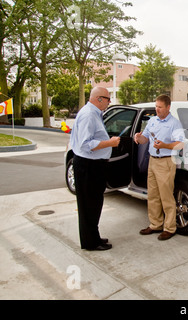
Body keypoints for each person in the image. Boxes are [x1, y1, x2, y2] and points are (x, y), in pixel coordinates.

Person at [70, 87, 120, 251]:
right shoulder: (89, 115)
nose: (109, 102)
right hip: (88, 165)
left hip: (91, 165)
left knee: (93, 204)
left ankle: (93, 237)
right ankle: (91, 243)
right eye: (107, 99)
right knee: (89, 205)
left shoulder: (93, 113)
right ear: (99, 98)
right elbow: (86, 144)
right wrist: (110, 143)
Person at [134, 95, 184, 241]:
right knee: (153, 195)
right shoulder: (152, 120)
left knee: (166, 196)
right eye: (156, 106)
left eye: (160, 107)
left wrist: (164, 145)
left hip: (166, 162)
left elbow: (180, 144)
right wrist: (139, 137)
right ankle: (155, 224)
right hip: (152, 161)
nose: (157, 109)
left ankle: (170, 228)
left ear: (168, 107)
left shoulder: (175, 124)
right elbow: (145, 139)